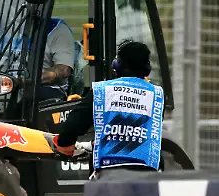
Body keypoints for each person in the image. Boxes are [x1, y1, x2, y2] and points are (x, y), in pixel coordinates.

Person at [53, 40, 164, 179]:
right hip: (147, 177)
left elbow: (72, 126)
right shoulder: (157, 94)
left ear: (117, 65)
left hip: (109, 175)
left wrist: (65, 145)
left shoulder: (101, 90)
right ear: (147, 67)